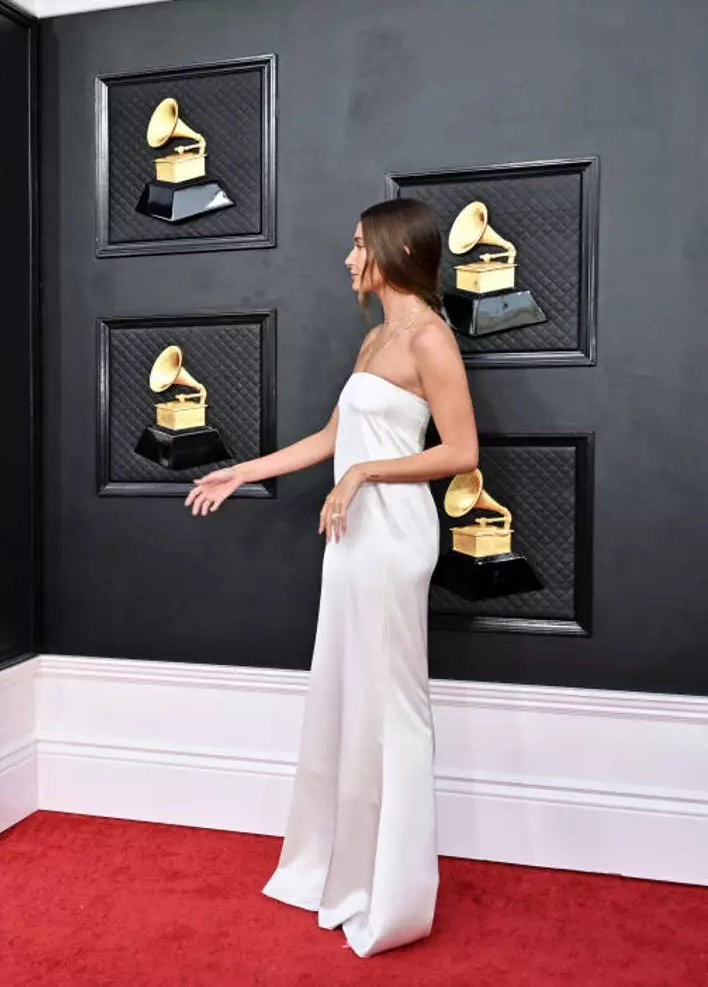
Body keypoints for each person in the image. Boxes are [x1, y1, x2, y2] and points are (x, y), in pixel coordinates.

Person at [185, 198, 478, 956]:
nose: (349, 260)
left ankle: (395, 897)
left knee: (392, 707)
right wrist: (240, 472)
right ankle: (349, 868)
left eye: (357, 246)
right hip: (351, 539)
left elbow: (461, 452)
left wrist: (368, 475)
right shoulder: (376, 336)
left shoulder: (430, 339)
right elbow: (331, 437)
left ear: (392, 250)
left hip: (393, 539)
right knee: (349, 700)